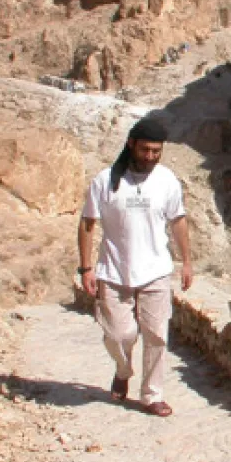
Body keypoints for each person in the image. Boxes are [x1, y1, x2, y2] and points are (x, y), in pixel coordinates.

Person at [77, 117, 192, 417]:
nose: (150, 157)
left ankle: (151, 395)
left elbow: (178, 221)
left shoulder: (167, 180)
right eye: (145, 150)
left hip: (156, 270)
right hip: (114, 272)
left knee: (156, 335)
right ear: (131, 145)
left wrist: (187, 262)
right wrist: (86, 268)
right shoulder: (105, 181)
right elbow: (88, 223)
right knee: (119, 335)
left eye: (156, 151)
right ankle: (123, 370)